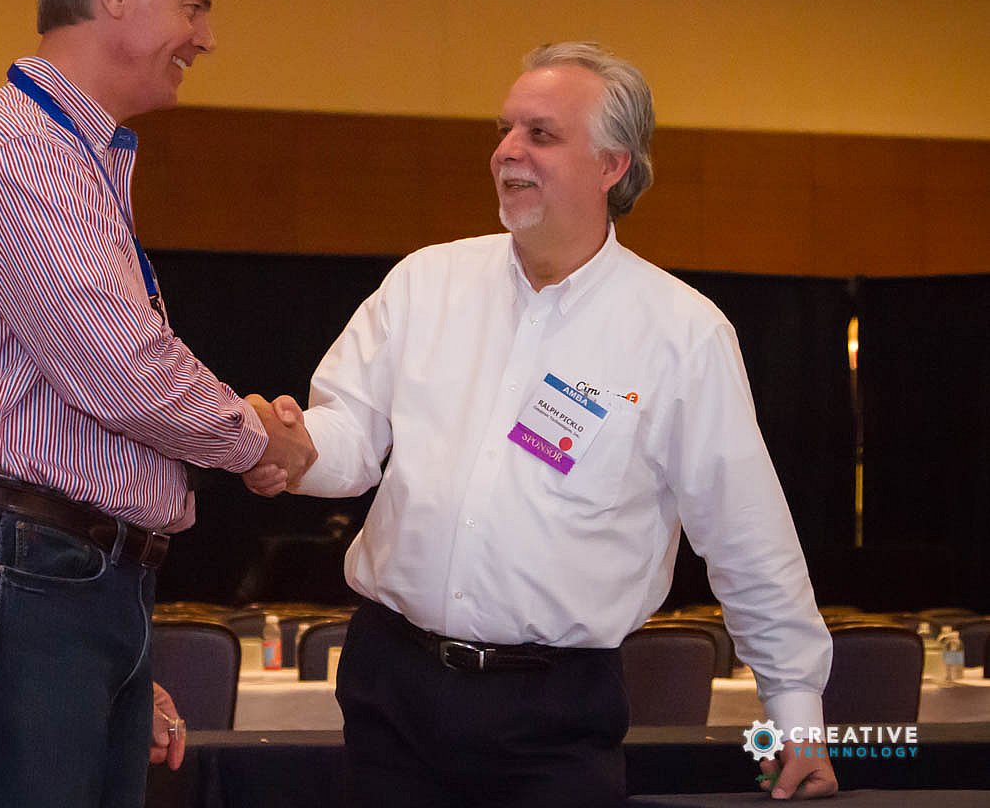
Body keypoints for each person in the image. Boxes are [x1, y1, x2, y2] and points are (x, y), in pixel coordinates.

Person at [245, 42, 837, 805]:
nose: (507, 151)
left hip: (554, 716)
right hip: (392, 691)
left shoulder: (681, 334)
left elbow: (746, 535)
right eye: (505, 130)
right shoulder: (427, 283)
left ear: (612, 165)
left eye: (541, 134)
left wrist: (796, 717)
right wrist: (296, 449)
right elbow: (351, 437)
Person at [0, 0, 314, 807]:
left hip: (61, 586)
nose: (206, 38)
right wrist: (255, 441)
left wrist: (108, 645)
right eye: (194, 6)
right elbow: (120, 369)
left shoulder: (76, 158)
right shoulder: (20, 149)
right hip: (25, 575)